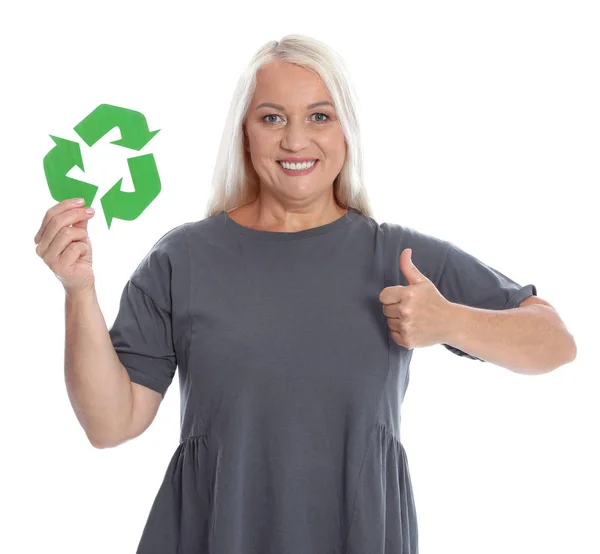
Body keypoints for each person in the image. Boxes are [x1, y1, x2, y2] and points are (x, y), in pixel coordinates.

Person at [34, 34, 572, 554]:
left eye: (319, 116)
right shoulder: (183, 259)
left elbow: (554, 342)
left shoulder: (399, 259)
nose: (295, 140)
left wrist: (451, 321)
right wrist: (78, 290)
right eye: (272, 118)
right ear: (245, 133)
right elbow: (110, 424)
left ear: (346, 133)